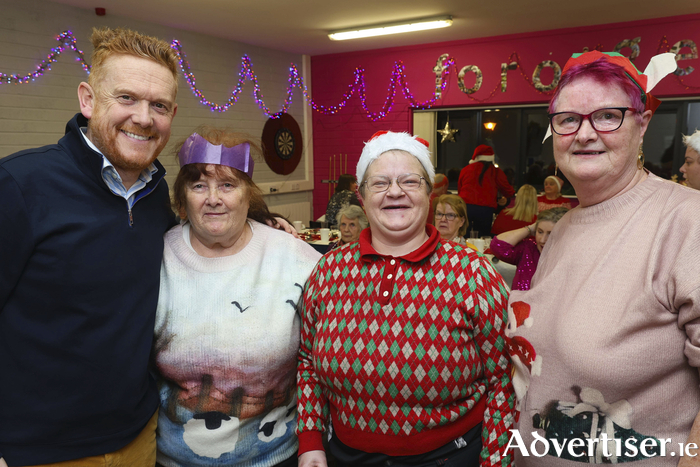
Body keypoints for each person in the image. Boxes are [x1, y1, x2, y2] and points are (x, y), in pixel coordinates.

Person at [506, 51, 700, 466]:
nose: (584, 134)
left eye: (607, 116)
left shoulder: (687, 220)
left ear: (642, 123)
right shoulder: (563, 227)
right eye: (568, 120)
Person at [0, 27, 182, 467]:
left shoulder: (156, 193)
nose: (143, 117)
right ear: (87, 99)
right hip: (37, 450)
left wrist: (264, 225)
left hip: (139, 435)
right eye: (126, 98)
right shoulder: (20, 185)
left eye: (159, 105)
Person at [297, 131, 515, 467]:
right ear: (362, 195)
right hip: (345, 456)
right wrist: (310, 441)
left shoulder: (474, 274)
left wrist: (496, 461)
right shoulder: (328, 271)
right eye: (380, 182)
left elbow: (504, 381)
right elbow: (308, 363)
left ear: (430, 193)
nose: (395, 191)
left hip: (451, 456)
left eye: (410, 182)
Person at [153, 128, 321, 466]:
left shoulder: (296, 258)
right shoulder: (155, 258)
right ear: (182, 198)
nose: (213, 198)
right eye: (199, 185)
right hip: (172, 460)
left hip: (276, 456)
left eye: (228, 185)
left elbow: (321, 363)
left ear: (249, 195)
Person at [489, 207, 567, 291]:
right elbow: (497, 246)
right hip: (518, 303)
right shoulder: (529, 247)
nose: (542, 240)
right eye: (540, 232)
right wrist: (531, 228)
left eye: (550, 234)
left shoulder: (570, 257)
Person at [457, 144, 515, 237]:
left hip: (465, 206)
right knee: (482, 237)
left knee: (463, 235)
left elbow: (460, 189)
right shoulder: (495, 171)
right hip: (485, 209)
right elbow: (508, 191)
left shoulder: (465, 169)